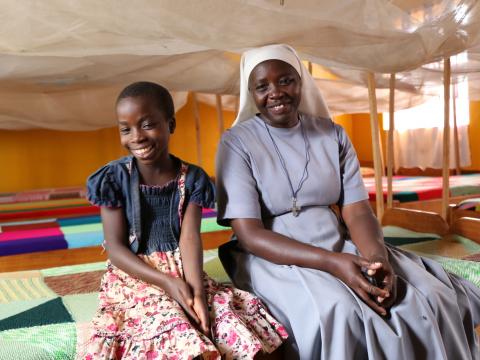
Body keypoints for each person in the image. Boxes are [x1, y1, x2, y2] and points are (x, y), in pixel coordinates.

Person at [215, 44, 480, 360]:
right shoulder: (237, 142)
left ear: (300, 82)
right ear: (252, 93)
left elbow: (356, 209)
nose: (275, 92)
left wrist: (376, 258)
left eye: (285, 80)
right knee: (337, 312)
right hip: (273, 253)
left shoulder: (332, 134)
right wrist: (332, 263)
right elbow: (249, 234)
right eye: (262, 86)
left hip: (339, 241)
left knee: (430, 296)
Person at [83, 81, 288, 359]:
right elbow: (117, 250)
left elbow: (190, 238)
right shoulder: (113, 178)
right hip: (134, 276)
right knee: (173, 325)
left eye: (147, 124)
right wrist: (166, 283)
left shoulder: (192, 178)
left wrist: (198, 295)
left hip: (183, 270)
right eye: (126, 129)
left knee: (224, 320)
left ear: (170, 124)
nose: (137, 137)